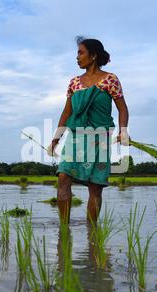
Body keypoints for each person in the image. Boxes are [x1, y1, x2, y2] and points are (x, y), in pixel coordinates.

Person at [47, 37, 130, 224]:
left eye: (81, 52)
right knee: (63, 177)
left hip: (99, 138)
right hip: (75, 136)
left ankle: (92, 232)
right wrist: (55, 140)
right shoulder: (74, 83)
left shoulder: (110, 80)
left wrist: (123, 131)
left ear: (93, 56)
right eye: (77, 53)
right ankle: (64, 231)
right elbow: (66, 112)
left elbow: (123, 108)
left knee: (95, 186)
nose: (77, 57)